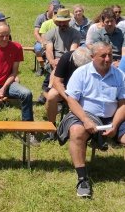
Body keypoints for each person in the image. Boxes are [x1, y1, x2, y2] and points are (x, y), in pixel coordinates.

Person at [57, 42, 125, 198]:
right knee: (77, 131)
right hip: (85, 113)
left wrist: (114, 124)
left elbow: (123, 104)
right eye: (103, 56)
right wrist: (85, 120)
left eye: (110, 55)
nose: (108, 59)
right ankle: (82, 179)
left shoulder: (120, 75)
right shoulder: (81, 73)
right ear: (92, 57)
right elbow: (72, 101)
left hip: (114, 116)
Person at [0, 23, 35, 132]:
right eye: (1, 36)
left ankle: (29, 129)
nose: (5, 39)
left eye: (7, 35)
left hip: (8, 84)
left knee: (27, 93)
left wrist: (4, 88)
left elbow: (14, 72)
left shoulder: (16, 47)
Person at [43, 46, 92, 140]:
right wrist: (69, 98)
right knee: (51, 96)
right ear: (73, 59)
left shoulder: (92, 61)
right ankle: (51, 128)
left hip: (86, 90)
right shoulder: (66, 58)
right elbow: (57, 82)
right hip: (66, 89)